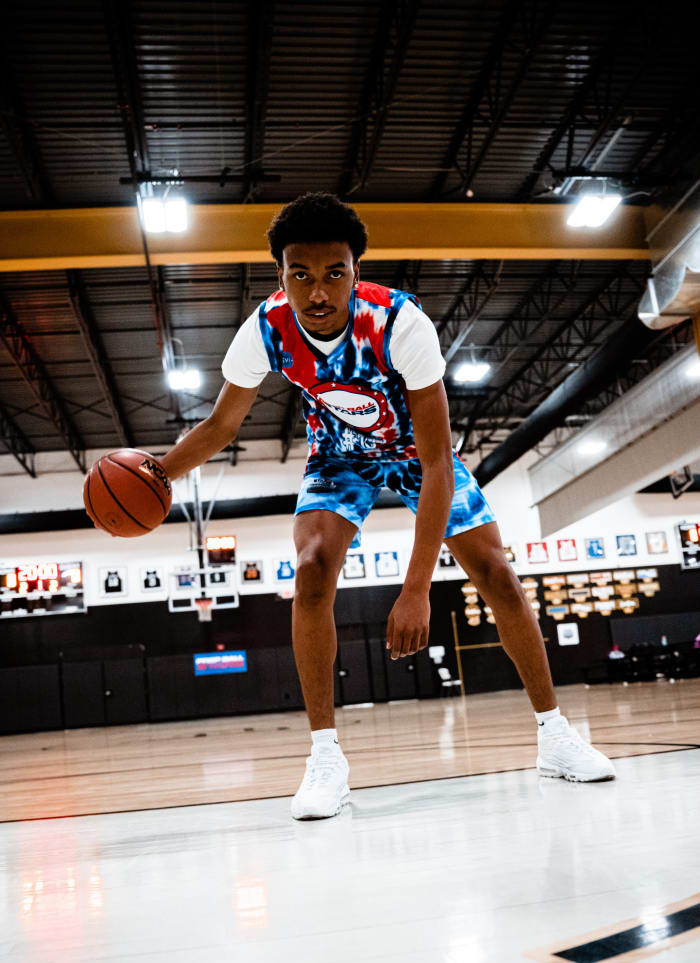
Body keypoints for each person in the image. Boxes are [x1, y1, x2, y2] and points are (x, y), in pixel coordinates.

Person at [160, 192, 614, 819]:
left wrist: (416, 589)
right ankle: (325, 758)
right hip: (338, 454)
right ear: (280, 274)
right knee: (313, 571)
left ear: (355, 269)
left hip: (413, 453)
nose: (318, 293)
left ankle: (555, 736)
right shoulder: (263, 329)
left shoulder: (401, 323)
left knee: (498, 575)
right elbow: (218, 428)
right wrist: (158, 474)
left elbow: (433, 464)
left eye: (333, 274)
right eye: (301, 276)